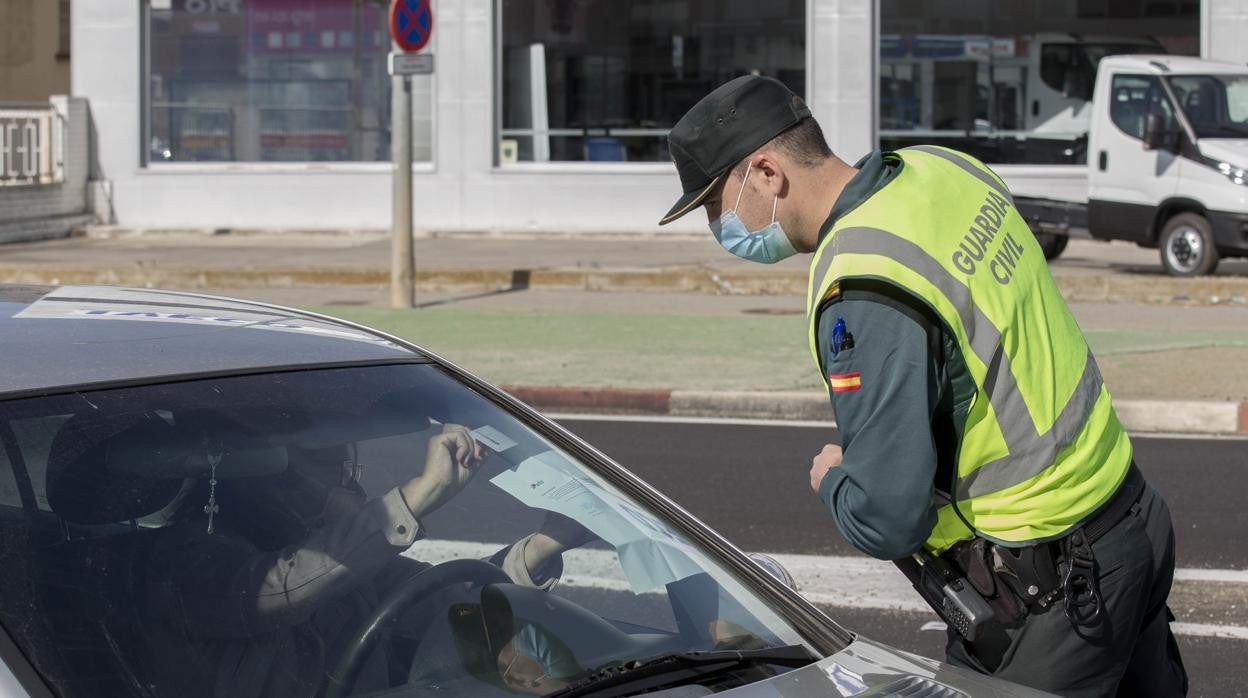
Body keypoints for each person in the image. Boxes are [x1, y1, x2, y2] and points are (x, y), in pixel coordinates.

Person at [658, 74, 1187, 696]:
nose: (718, 227)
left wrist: (834, 480)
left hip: (1052, 587)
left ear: (768, 174)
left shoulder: (864, 283)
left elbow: (889, 517)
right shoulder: (942, 170)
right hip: (1130, 514)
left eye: (717, 205)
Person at [136, 423, 585, 697]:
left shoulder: (345, 558)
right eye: (331, 469)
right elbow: (275, 590)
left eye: (351, 468)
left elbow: (449, 602)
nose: (350, 483)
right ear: (265, 476)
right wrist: (420, 494)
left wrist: (547, 543)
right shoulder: (182, 559)